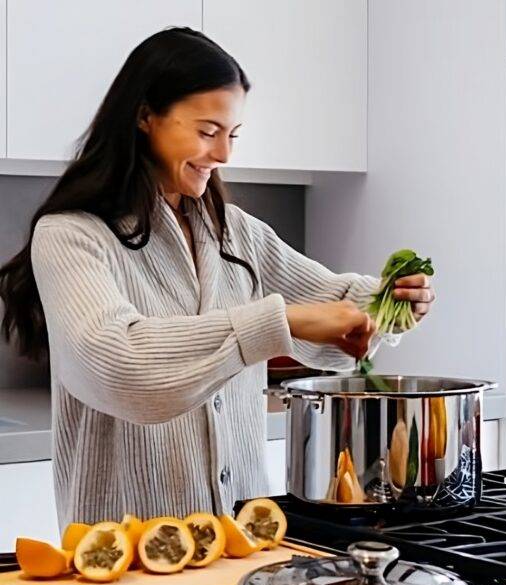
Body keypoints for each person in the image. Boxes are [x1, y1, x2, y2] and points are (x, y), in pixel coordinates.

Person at [0, 28, 433, 527]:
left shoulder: (235, 232)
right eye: (208, 132)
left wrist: (392, 302)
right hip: (127, 553)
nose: (225, 154)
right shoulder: (72, 235)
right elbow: (120, 364)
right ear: (144, 116)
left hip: (247, 540)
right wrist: (278, 323)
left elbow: (335, 305)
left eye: (232, 134)